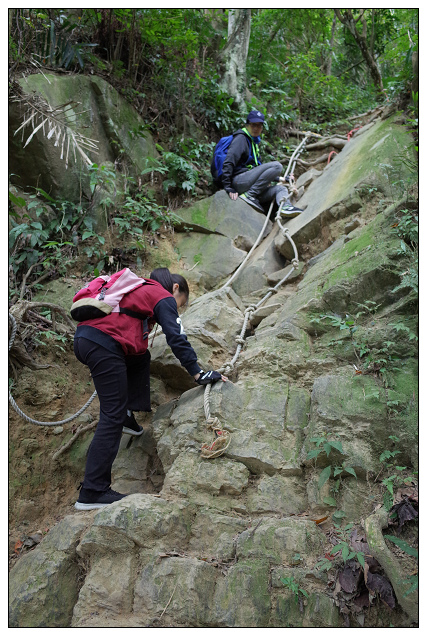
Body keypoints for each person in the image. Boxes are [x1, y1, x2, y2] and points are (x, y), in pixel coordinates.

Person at [73, 267, 227, 510]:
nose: (177, 308)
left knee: (141, 356)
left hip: (87, 339)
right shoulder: (162, 295)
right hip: (103, 344)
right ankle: (92, 491)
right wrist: (198, 372)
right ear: (176, 288)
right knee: (110, 416)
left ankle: (126, 415)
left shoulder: (138, 288)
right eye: (181, 304)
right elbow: (176, 337)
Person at [211, 109, 303, 218]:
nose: (256, 128)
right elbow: (229, 162)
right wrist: (228, 187)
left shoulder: (254, 142)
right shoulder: (241, 138)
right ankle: (250, 195)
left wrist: (281, 179)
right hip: (238, 181)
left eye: (259, 126)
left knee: (281, 189)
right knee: (277, 166)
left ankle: (285, 208)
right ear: (247, 125)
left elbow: (258, 169)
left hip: (248, 183)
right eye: (253, 125)